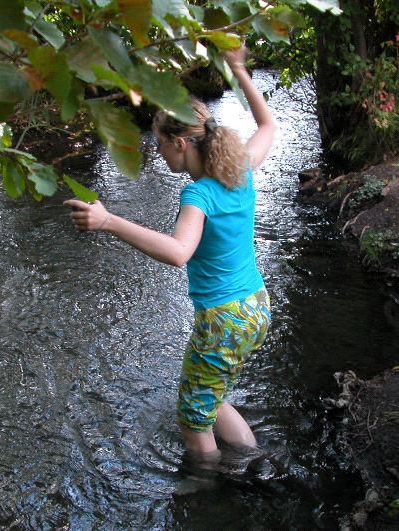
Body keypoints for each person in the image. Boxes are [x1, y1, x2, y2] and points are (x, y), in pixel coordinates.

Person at [64, 45, 275, 461]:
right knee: (210, 399)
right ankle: (254, 462)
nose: (158, 155)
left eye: (160, 146)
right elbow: (268, 124)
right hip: (256, 307)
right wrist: (238, 70)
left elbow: (179, 251)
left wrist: (109, 221)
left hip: (223, 318)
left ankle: (209, 488)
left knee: (192, 417)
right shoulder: (241, 172)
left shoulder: (199, 195)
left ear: (180, 143)